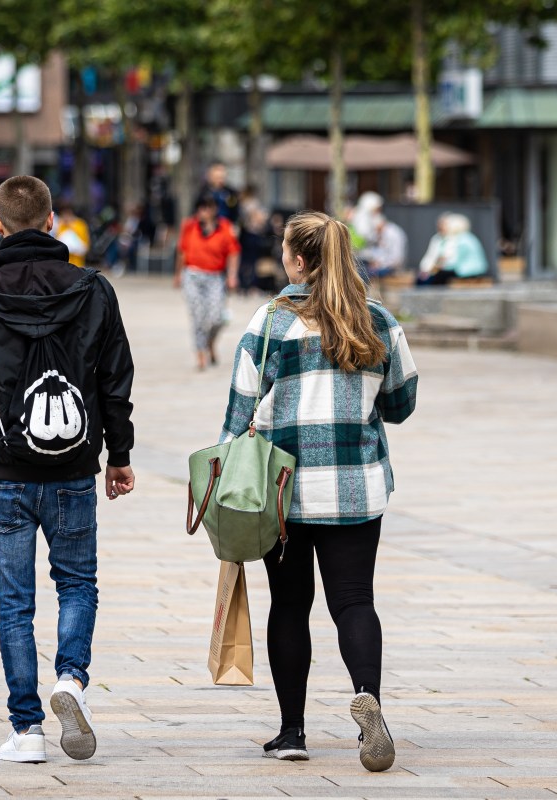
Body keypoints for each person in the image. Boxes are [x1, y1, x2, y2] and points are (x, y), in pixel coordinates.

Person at [0, 175, 136, 765]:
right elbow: (116, 380)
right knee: (77, 582)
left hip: (1, 470)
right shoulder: (94, 289)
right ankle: (71, 679)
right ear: (53, 222)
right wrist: (119, 456)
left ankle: (26, 729)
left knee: (14, 602)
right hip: (73, 465)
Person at [219, 210, 417, 771]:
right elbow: (402, 403)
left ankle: (292, 732)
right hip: (356, 489)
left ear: (300, 261)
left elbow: (238, 409)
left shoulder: (272, 321)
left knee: (290, 604)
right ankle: (369, 703)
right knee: (354, 600)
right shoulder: (377, 321)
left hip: (282, 492)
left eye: (286, 253)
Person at [175, 193, 240, 370]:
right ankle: (201, 353)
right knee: (197, 315)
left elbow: (233, 252)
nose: (203, 211)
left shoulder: (225, 227)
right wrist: (178, 274)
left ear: (214, 210)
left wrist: (232, 275)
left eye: (207, 208)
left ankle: (210, 341)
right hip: (192, 275)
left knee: (217, 316)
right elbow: (182, 251)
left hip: (215, 276)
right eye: (200, 208)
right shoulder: (189, 226)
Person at [418, 213, 487, 285]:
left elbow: (454, 263)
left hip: (468, 271)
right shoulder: (468, 237)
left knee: (439, 276)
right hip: (475, 270)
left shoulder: (462, 240)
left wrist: (440, 265)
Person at [197, 161, 240, 225]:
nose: (219, 180)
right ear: (210, 176)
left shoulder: (230, 193)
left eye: (221, 177)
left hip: (226, 227)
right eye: (217, 177)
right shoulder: (203, 193)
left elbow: (235, 211)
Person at [52, 202, 91, 267]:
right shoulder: (59, 225)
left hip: (78, 264)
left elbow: (86, 247)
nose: (65, 217)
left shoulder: (80, 225)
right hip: (63, 264)